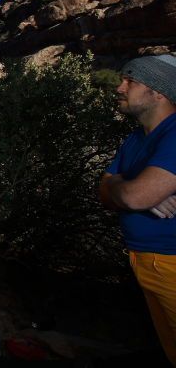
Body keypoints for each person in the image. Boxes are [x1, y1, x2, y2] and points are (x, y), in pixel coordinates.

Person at [98, 54, 176, 365]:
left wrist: (122, 185)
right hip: (146, 263)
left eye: (131, 80)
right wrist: (122, 185)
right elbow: (104, 194)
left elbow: (133, 197)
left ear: (158, 91)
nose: (119, 87)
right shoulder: (135, 139)